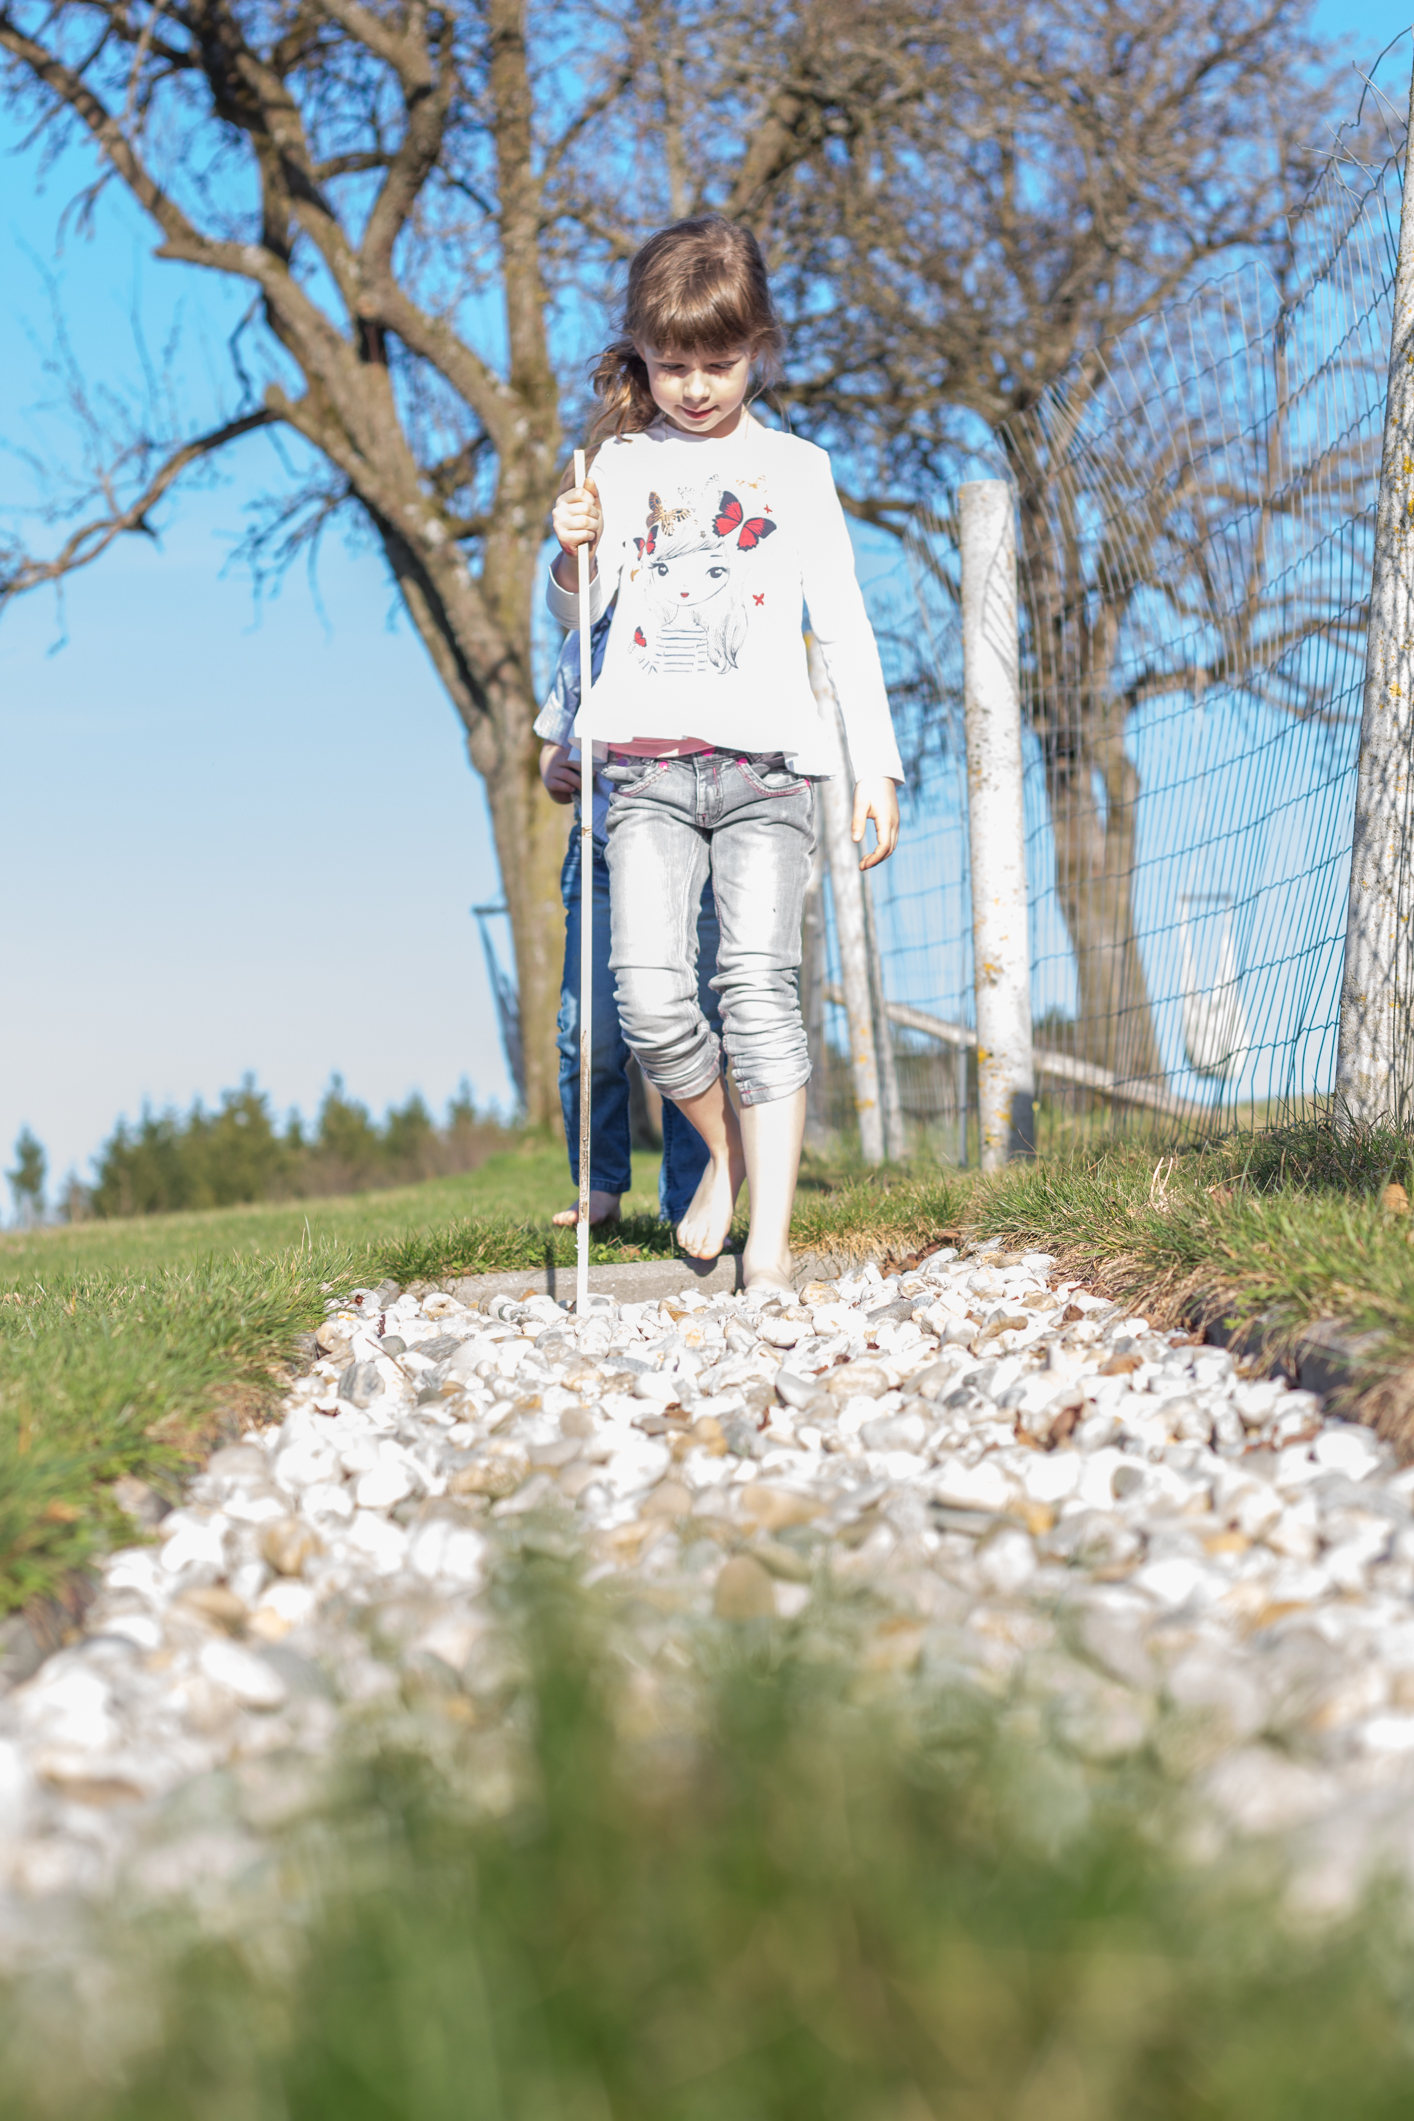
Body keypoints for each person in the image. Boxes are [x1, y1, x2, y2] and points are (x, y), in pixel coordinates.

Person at [549, 216, 902, 1296]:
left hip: (767, 775)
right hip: (647, 775)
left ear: (759, 347)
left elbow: (840, 621)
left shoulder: (795, 469)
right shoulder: (615, 461)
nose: (695, 388)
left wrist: (874, 767)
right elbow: (576, 610)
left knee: (757, 987)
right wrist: (568, 551)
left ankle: (770, 1244)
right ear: (642, 356)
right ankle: (733, 1153)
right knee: (649, 997)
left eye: (718, 362)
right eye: (671, 365)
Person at [535, 614, 722, 1229]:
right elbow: (555, 739)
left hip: (688, 848)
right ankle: (599, 1187)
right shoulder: (585, 638)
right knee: (586, 1028)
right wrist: (551, 766)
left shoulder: (695, 615)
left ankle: (691, 1193)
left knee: (685, 1019)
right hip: (597, 851)